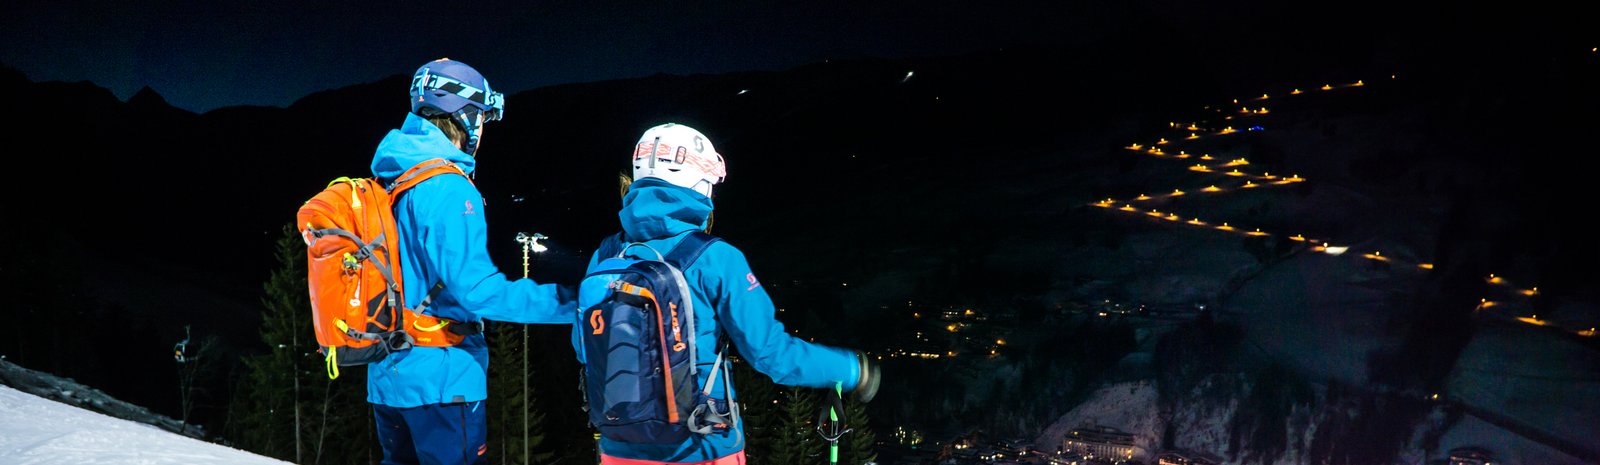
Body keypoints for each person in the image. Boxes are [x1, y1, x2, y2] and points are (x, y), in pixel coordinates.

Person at [576, 122, 881, 464]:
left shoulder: (605, 256)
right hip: (702, 447)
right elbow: (772, 355)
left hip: (619, 449)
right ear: (699, 182)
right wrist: (852, 369)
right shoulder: (716, 257)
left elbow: (585, 346)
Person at [368, 57, 575, 465]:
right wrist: (573, 301)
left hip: (388, 374)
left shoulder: (394, 174)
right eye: (479, 116)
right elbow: (478, 291)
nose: (481, 128)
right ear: (461, 114)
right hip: (444, 379)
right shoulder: (446, 185)